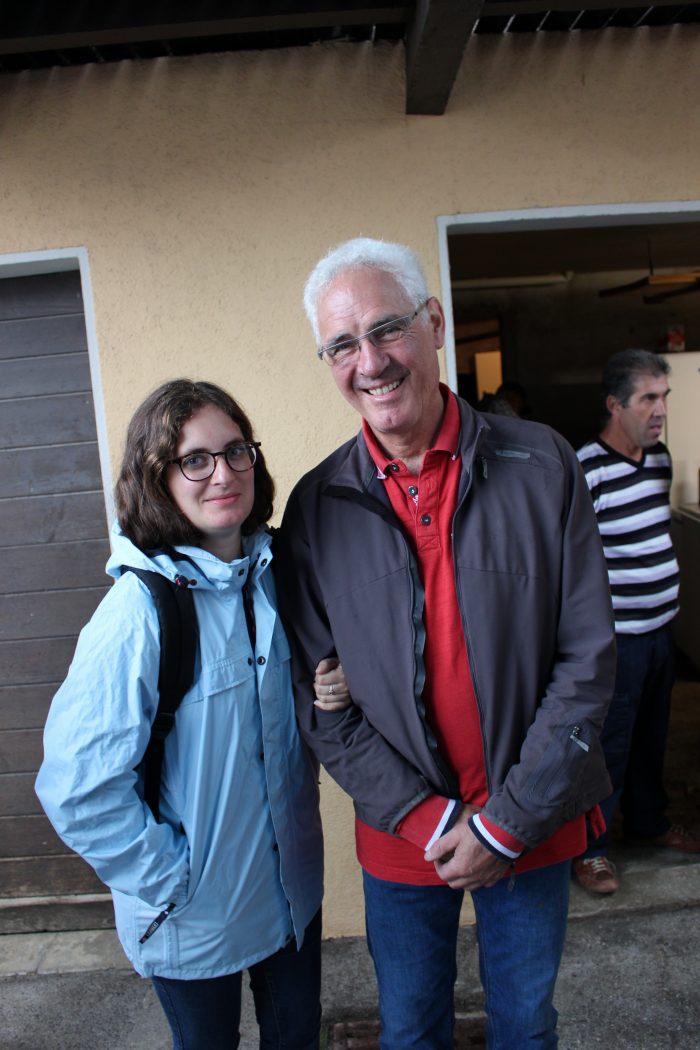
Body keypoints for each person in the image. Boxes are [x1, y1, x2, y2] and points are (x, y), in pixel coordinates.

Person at [275, 237, 617, 1050]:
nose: (371, 361)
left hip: (531, 824)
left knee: (526, 1026)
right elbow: (318, 705)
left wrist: (506, 823)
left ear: (433, 323)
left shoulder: (543, 464)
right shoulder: (317, 507)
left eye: (387, 329)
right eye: (342, 345)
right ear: (327, 361)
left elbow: (588, 658)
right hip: (404, 838)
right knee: (410, 1029)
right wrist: (431, 819)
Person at [36, 379, 349, 1050]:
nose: (223, 474)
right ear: (158, 478)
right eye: (195, 459)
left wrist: (331, 685)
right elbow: (77, 788)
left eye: (236, 451)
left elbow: (307, 690)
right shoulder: (137, 615)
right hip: (195, 910)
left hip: (290, 891)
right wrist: (172, 880)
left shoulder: (277, 575)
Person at [574, 350, 700, 895]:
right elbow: (571, 561)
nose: (661, 410)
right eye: (649, 398)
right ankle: (590, 851)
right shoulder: (587, 468)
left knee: (653, 735)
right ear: (614, 404)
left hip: (660, 634)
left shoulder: (660, 459)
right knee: (612, 744)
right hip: (617, 641)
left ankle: (648, 824)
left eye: (664, 397)